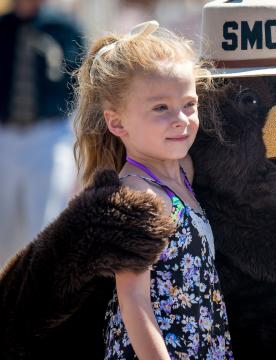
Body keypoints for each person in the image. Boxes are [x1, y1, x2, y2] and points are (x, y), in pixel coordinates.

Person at [72, 20, 233, 359]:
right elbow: (134, 301)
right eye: (160, 108)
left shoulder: (182, 172)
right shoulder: (137, 196)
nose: (181, 119)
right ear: (117, 123)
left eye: (189, 104)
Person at [0, 0, 84, 265]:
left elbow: (78, 77)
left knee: (45, 218)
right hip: (6, 134)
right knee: (4, 224)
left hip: (47, 133)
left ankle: (39, 295)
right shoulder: (4, 27)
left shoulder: (62, 27)